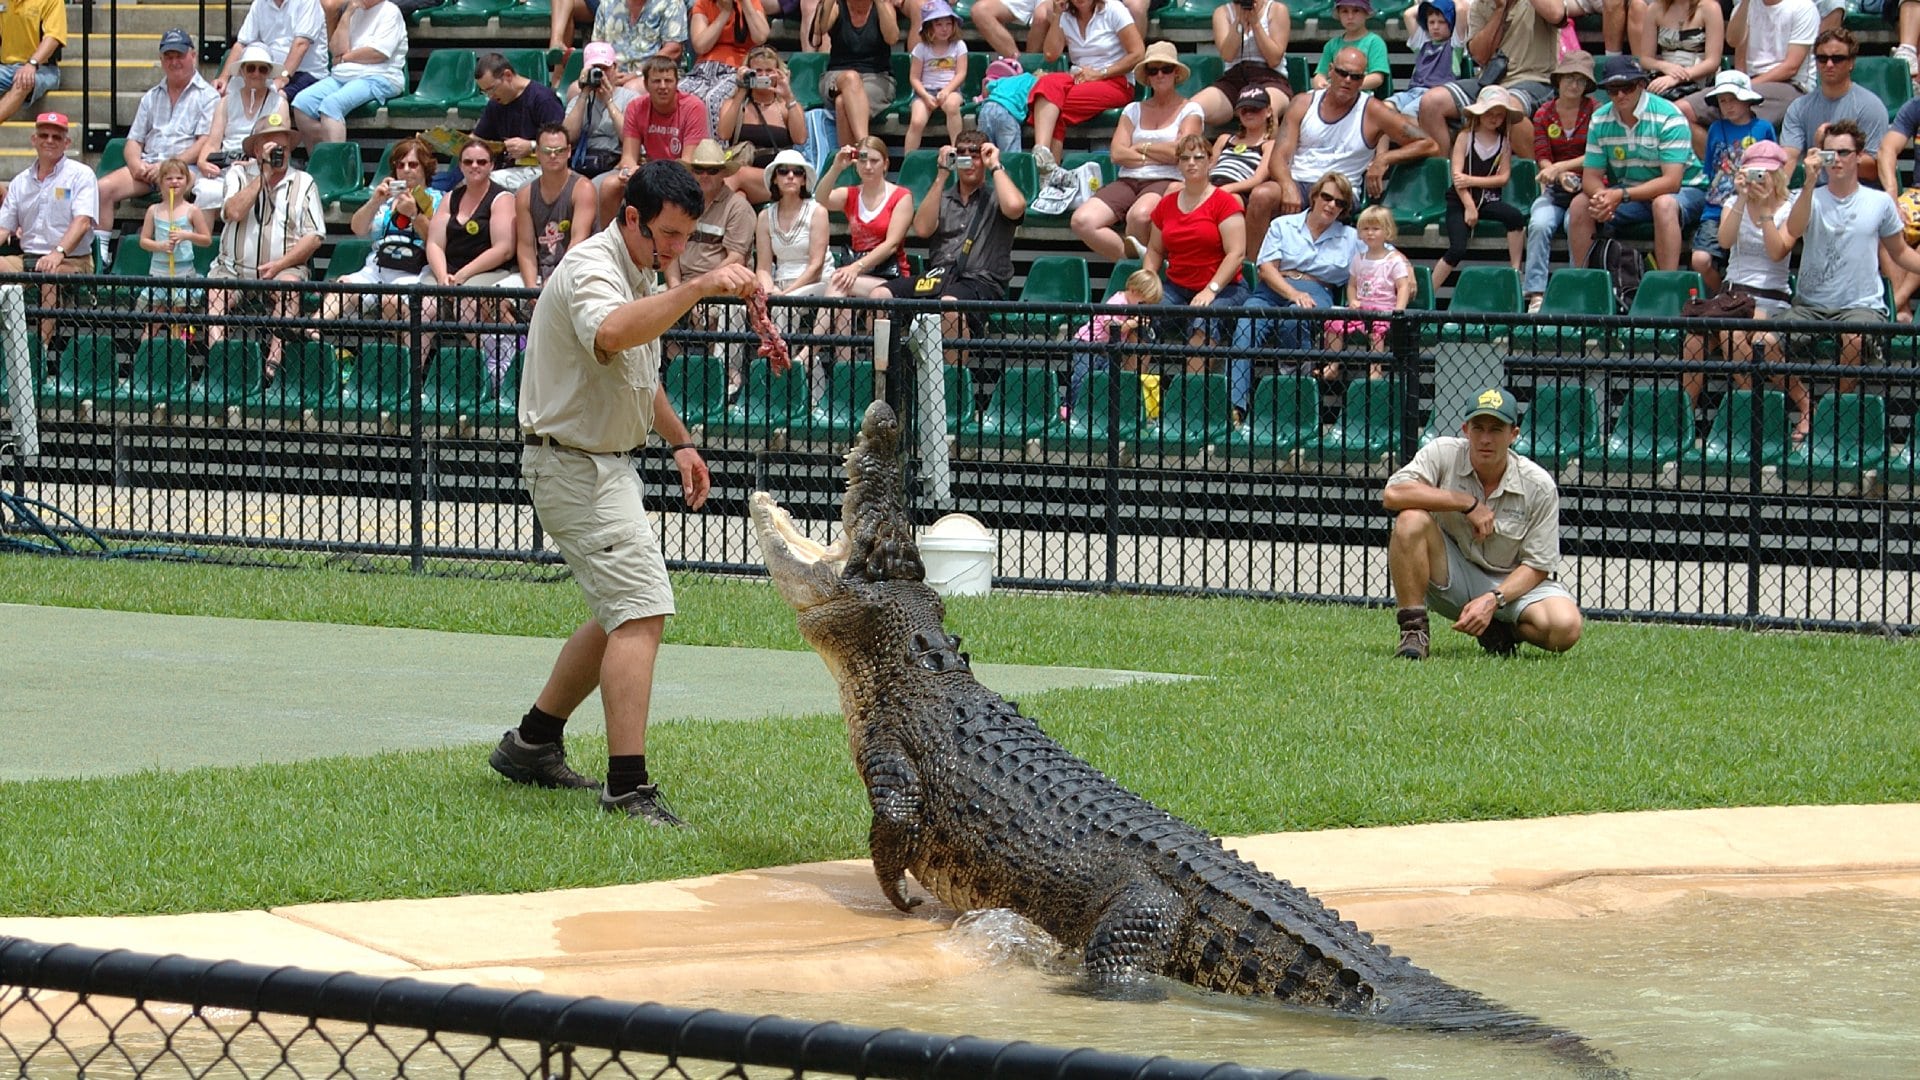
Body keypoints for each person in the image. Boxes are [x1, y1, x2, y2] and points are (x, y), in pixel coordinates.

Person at [497, 160, 760, 827]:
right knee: (641, 609)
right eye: (667, 235)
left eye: (686, 236)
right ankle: (628, 787)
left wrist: (680, 440)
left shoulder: (638, 271)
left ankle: (531, 743)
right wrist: (697, 288)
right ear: (633, 219)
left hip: (600, 464)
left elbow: (638, 372)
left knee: (622, 608)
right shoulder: (593, 268)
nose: (675, 249)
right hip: (574, 467)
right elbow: (614, 334)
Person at [1384, 386, 1584, 660]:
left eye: (1496, 429)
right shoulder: (1443, 452)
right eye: (1478, 428)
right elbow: (1393, 494)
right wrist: (1465, 502)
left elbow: (1538, 565)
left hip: (1511, 584)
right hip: (1452, 574)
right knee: (1410, 520)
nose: (1485, 439)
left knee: (1565, 627)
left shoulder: (1539, 485)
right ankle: (1414, 632)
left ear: (1513, 435)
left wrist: (1493, 600)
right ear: (1465, 429)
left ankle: (1501, 631)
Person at [1770, 122, 1920, 398]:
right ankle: (1807, 408)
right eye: (1829, 153)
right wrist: (1809, 181)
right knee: (1764, 342)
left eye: (1844, 152)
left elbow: (1899, 252)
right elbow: (1792, 230)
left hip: (1860, 306)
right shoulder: (1807, 196)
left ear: (1859, 156)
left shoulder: (1879, 202)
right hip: (1810, 306)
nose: (1836, 160)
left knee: (1854, 338)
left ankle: (1837, 408)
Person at [880, 132, 1026, 367]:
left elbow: (1016, 207)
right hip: (940, 278)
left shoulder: (996, 197)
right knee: (880, 297)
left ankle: (951, 384)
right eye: (962, 154)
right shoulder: (943, 197)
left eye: (975, 154)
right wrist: (941, 175)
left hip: (981, 282)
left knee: (949, 303)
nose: (968, 159)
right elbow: (922, 228)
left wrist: (995, 165)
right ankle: (886, 379)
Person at [204, 118, 327, 379]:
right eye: (273, 147)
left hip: (284, 269)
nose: (279, 153)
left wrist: (280, 265)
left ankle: (273, 364)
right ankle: (219, 356)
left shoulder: (304, 182)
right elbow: (233, 211)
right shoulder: (238, 175)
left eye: (284, 148)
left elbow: (315, 236)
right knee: (216, 292)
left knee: (289, 288)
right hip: (234, 270)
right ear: (258, 151)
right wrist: (264, 175)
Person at [1568, 55, 1707, 277]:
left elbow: (1672, 182)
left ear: (1642, 85)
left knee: (1663, 205)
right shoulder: (1599, 119)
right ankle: (1585, 282)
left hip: (1687, 190)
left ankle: (1665, 285)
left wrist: (1620, 196)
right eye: (1613, 89)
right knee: (1580, 205)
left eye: (1627, 87)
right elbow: (1590, 178)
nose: (1620, 94)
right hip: (1630, 193)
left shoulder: (1669, 116)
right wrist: (1603, 198)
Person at [1680, 140, 1796, 407]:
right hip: (1732, 295)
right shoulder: (1733, 202)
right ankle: (1685, 413)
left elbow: (1777, 251)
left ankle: (1753, 407)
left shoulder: (1789, 207)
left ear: (1776, 174)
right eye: (1754, 172)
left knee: (1731, 335)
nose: (1759, 178)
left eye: (1764, 172)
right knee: (1694, 341)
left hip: (1769, 297)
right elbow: (1724, 241)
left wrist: (1765, 210)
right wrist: (1743, 198)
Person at [1145, 132, 1250, 412]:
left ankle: (1190, 403)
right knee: (1140, 315)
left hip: (1225, 288)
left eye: (1198, 157)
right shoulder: (1166, 205)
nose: (1192, 163)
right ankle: (1135, 396)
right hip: (1177, 285)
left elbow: (1236, 253)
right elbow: (1155, 250)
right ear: (1178, 163)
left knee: (1204, 318)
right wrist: (1148, 279)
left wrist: (1210, 289)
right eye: (1185, 158)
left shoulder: (1225, 202)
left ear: (1210, 162)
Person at [1067, 43, 1200, 262]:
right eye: (1152, 70)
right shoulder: (1133, 109)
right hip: (1128, 180)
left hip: (1167, 179)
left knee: (1139, 216)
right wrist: (1159, 153)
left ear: (1176, 73)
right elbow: (1117, 154)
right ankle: (1134, 266)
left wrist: (1140, 147)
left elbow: (1182, 152)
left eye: (1165, 69)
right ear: (1147, 76)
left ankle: (1142, 275)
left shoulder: (1190, 109)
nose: (1159, 74)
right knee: (1082, 220)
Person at [95, 30, 220, 259]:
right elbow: (134, 140)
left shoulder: (208, 96)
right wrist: (135, 165)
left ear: (193, 55)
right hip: (149, 166)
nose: (174, 61)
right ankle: (102, 255)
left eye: (179, 55)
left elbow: (204, 142)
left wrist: (166, 167)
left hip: (186, 168)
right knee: (102, 188)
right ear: (162, 60)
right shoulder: (151, 96)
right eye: (168, 56)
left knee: (177, 184)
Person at [1273, 45, 1438, 211]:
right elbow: (1278, 157)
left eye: (1355, 77)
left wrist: (1384, 158)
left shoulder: (1373, 110)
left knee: (1326, 200)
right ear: (1331, 70)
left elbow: (1429, 144)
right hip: (1300, 182)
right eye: (1342, 73)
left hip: (1342, 188)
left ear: (1362, 80)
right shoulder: (1302, 103)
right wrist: (1287, 186)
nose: (1348, 80)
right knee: (1263, 195)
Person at [1412, 0, 1562, 164]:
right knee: (1431, 102)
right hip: (1491, 81)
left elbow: (1556, 14)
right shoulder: (1480, 5)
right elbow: (1480, 56)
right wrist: (1500, 10)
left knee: (1504, 107)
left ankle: (1543, 177)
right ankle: (1443, 178)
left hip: (1535, 79)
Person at [1233, 171, 1361, 356]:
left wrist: (1405, 266)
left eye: (1339, 203)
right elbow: (1267, 269)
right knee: (1246, 323)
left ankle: (1297, 377)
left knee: (1294, 319)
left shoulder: (1351, 237)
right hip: (1271, 289)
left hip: (1316, 291)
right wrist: (1293, 293)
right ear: (1315, 196)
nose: (1331, 205)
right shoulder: (1283, 225)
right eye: (1327, 197)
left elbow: (1385, 250)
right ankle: (1236, 385)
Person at [427, 136, 521, 381]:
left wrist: (462, 275)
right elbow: (435, 243)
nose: (474, 166)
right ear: (460, 166)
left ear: (491, 165)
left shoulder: (502, 198)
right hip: (448, 269)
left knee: (465, 299)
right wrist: (442, 277)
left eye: (481, 161)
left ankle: (494, 365)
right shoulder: (451, 198)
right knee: (422, 306)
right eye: (468, 162)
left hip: (489, 269)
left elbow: (503, 249)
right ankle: (412, 375)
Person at [666, 139, 757, 390]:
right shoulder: (679, 204)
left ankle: (727, 379)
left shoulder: (738, 207)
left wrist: (702, 288)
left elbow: (735, 258)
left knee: (728, 313)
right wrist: (675, 287)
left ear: (723, 174)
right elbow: (669, 251)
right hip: (683, 282)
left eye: (712, 170)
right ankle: (680, 372)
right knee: (647, 302)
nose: (705, 175)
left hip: (723, 286)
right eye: (699, 169)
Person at [0, 111, 95, 350]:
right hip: (27, 258)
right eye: (44, 135)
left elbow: (82, 222)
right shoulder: (20, 182)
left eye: (56, 136)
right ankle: (6, 345)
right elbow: (4, 228)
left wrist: (58, 252)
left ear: (67, 142)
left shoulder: (81, 175)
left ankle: (39, 350)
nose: (49, 140)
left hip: (74, 260)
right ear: (34, 140)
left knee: (49, 275)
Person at [325, 137, 440, 322]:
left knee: (391, 300)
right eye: (400, 165)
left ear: (425, 168)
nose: (406, 170)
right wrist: (375, 200)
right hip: (378, 266)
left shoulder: (437, 199)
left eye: (413, 164)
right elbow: (358, 229)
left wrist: (414, 214)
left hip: (414, 269)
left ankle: (405, 351)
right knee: (343, 286)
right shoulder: (385, 200)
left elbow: (434, 239)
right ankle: (312, 328)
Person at [1027, 0, 1144, 172]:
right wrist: (1058, 15)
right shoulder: (1065, 15)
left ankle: (1047, 168)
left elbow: (1138, 53)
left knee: (1051, 107)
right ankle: (1043, 155)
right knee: (1047, 84)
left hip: (1115, 80)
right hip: (1081, 80)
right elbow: (1051, 54)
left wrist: (1101, 73)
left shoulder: (1113, 9)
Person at [1521, 50, 1598, 311]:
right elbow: (1542, 155)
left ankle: (1576, 289)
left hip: (1588, 186)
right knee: (1539, 223)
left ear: (1587, 84)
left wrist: (1562, 168)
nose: (1574, 84)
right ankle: (1536, 294)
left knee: (1572, 222)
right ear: (1558, 80)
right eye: (1569, 78)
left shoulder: (1597, 112)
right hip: (1555, 189)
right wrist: (1556, 173)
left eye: (1580, 79)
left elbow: (1598, 155)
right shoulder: (1543, 113)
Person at [1690, 70, 1776, 293]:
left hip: (1754, 206)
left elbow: (1775, 167)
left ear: (1747, 99)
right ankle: (1723, 295)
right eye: (1723, 100)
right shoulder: (1715, 129)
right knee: (1700, 260)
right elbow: (1710, 168)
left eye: (1734, 99)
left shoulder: (1763, 128)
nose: (1728, 106)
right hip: (1717, 208)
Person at [1678, 0, 1817, 138]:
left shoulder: (1802, 7)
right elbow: (1735, 44)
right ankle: (1718, 157)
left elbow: (1791, 67)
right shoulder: (1743, 8)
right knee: (1680, 110)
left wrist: (1743, 88)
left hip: (1791, 85)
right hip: (1746, 83)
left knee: (1739, 114)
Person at [1434, 86, 1525, 292]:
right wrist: (1469, 205)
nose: (1493, 119)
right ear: (1479, 114)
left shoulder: (1504, 142)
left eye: (1499, 115)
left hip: (1489, 199)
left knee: (1515, 217)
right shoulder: (1465, 137)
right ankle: (1430, 290)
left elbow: (1503, 178)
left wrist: (1472, 180)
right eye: (1489, 113)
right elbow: (1457, 178)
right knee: (1457, 248)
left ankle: (1515, 269)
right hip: (1460, 199)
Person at [814, 136, 912, 325]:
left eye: (874, 161)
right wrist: (836, 168)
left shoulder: (901, 196)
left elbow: (892, 245)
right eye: (862, 160)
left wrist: (854, 268)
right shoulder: (850, 194)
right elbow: (820, 200)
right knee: (844, 310)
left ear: (885, 164)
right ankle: (841, 355)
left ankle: (808, 351)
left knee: (837, 281)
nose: (868, 166)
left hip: (891, 276)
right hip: (858, 275)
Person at [754, 149, 830, 379]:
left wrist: (783, 294)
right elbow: (763, 267)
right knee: (739, 309)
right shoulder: (765, 216)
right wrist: (768, 290)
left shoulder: (818, 211)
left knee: (783, 307)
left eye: (797, 172)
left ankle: (785, 372)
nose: (790, 176)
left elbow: (816, 266)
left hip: (817, 282)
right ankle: (732, 374)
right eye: (783, 171)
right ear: (775, 178)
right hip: (781, 283)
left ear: (804, 179)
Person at [290, 0, 408, 148]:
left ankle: (336, 166)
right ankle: (319, 161)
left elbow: (378, 53)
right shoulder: (354, 11)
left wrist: (345, 58)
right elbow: (336, 48)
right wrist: (347, 13)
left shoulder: (390, 11)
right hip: (343, 76)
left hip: (379, 76)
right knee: (302, 103)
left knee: (331, 105)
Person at [1777, 29, 1889, 168]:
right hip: (1813, 186)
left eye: (1837, 59)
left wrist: (1826, 150)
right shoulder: (1799, 107)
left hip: (1856, 187)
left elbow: (1874, 167)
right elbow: (1789, 158)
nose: (1829, 64)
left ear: (1851, 62)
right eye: (1822, 58)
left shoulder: (1870, 106)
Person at [1324, 205, 1411, 381]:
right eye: (1365, 228)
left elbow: (1403, 287)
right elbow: (1352, 285)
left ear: (1387, 231)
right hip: (1361, 308)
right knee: (1333, 323)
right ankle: (1333, 364)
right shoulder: (1358, 259)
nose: (1370, 233)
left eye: (1375, 229)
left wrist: (1398, 310)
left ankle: (1375, 368)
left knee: (1375, 331)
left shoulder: (1394, 260)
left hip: (1383, 309)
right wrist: (1352, 300)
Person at [197, 46, 290, 208]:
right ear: (242, 71)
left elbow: (282, 147)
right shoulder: (226, 102)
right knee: (206, 190)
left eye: (262, 69)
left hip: (263, 168)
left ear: (268, 73)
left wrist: (256, 163)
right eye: (251, 68)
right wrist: (203, 162)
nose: (256, 73)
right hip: (226, 167)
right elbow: (212, 142)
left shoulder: (279, 103)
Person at [1064, 266, 1161, 418]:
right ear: (1134, 290)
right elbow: (1110, 327)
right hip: (1088, 343)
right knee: (1083, 377)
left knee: (1106, 380)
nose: (1145, 308)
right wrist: (1132, 324)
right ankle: (1070, 406)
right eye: (1143, 303)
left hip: (1108, 350)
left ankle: (1096, 410)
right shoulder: (1118, 301)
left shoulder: (1131, 306)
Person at [718, 46, 807, 203]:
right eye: (757, 71)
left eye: (769, 71)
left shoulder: (786, 107)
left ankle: (703, 215)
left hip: (779, 178)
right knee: (739, 198)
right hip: (747, 181)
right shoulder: (735, 105)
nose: (763, 76)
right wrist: (741, 90)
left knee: (738, 174)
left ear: (778, 73)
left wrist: (788, 95)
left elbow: (800, 138)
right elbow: (723, 134)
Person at [136, 159, 212, 343]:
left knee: (180, 321)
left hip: (183, 272)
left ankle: (181, 353)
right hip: (159, 272)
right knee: (154, 320)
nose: (174, 182)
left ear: (187, 181)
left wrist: (186, 235)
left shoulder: (192, 210)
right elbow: (144, 241)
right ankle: (143, 356)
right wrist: (160, 246)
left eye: (179, 177)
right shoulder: (153, 210)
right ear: (160, 182)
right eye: (168, 178)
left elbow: (206, 239)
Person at [516, 124, 598, 293]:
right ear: (537, 152)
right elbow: (526, 247)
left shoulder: (583, 189)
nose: (553, 155)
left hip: (579, 269)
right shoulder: (525, 195)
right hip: (541, 272)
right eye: (547, 151)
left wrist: (554, 280)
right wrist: (531, 288)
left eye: (559, 150)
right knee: (497, 303)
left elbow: (578, 241)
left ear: (568, 152)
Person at [809, 0, 899, 148]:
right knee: (851, 78)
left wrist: (880, 3)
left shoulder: (883, 7)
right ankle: (867, 146)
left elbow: (892, 38)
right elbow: (819, 30)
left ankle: (851, 162)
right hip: (837, 76)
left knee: (842, 103)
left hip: (877, 77)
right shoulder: (837, 7)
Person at [472, 52, 567, 191]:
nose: (490, 96)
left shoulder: (542, 99)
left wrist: (531, 146)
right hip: (506, 168)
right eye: (484, 92)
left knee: (486, 182)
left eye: (491, 89)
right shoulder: (496, 103)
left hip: (540, 168)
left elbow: (561, 143)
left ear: (508, 75)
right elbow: (478, 137)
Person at [1189, 0, 1289, 127]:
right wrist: (1238, 23)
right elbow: (1227, 55)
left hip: (1269, 77)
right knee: (1191, 110)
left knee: (1265, 109)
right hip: (1234, 78)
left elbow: (1274, 59)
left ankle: (1264, 146)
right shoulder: (1222, 13)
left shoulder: (1277, 9)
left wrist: (1256, 24)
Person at [1211, 87, 1285, 246]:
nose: (1249, 113)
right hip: (1211, 185)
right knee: (1175, 190)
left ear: (1268, 111)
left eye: (1255, 109)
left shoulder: (1269, 145)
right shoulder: (1224, 139)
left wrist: (1226, 189)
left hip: (1239, 190)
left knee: (1230, 201)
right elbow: (1209, 166)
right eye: (1244, 110)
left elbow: (1257, 179)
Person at [213, 0, 327, 101]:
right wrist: (223, 78)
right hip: (269, 70)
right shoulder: (259, 4)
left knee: (275, 98)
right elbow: (242, 44)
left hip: (305, 73)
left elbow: (301, 44)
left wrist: (281, 79)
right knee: (227, 93)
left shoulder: (308, 2)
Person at [682, 0, 773, 123]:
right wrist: (725, 12)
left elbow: (761, 37)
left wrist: (745, 4)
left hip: (736, 70)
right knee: (679, 95)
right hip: (704, 68)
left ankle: (717, 142)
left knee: (714, 99)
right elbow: (700, 46)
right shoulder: (703, 3)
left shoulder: (751, 2)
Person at [562, 41, 642, 180]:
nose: (601, 74)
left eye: (605, 68)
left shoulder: (630, 98)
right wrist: (584, 94)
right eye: (595, 69)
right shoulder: (579, 100)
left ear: (614, 68)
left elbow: (630, 138)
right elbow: (568, 137)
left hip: (615, 163)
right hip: (582, 162)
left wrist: (609, 102)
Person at [905, 0, 967, 155]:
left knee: (952, 106)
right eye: (939, 24)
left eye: (948, 23)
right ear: (929, 27)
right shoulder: (921, 48)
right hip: (925, 92)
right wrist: (925, 96)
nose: (944, 29)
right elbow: (914, 78)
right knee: (917, 121)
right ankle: (909, 159)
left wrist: (946, 91)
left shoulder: (959, 45)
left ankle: (956, 149)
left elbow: (961, 73)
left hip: (951, 90)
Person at [1383, 0, 1459, 127]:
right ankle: (1382, 148)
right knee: (1384, 110)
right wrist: (1429, 3)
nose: (1435, 27)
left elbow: (1462, 10)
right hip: (1412, 92)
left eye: (1441, 22)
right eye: (1431, 22)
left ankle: (1423, 145)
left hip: (1435, 95)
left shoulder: (1454, 45)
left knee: (1408, 112)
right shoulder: (1422, 44)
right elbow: (1408, 14)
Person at [1634, 0, 1723, 102]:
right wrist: (1664, 66)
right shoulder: (1655, 9)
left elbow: (1713, 62)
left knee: (1675, 105)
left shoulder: (1710, 8)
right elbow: (1645, 59)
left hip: (1698, 76)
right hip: (1665, 72)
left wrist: (1678, 77)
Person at [0, 0, 66, 127]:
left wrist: (32, 64)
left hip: (42, 68)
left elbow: (53, 37)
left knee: (23, 81)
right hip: (5, 67)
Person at [591, 0, 689, 76]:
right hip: (610, 74)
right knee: (576, 89)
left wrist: (638, 73)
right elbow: (596, 47)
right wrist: (609, 74)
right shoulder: (607, 4)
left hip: (654, 74)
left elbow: (673, 50)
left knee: (631, 89)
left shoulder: (672, 3)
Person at [1312, 0, 1389, 94]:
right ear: (1339, 15)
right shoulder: (1331, 45)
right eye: (1344, 11)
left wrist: (1347, 84)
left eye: (1356, 11)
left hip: (1361, 95)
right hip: (1331, 94)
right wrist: (1320, 82)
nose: (1350, 17)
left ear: (1366, 13)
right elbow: (1320, 74)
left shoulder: (1375, 42)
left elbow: (1377, 78)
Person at [973, 55, 1038, 154]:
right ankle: (1008, 169)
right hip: (1008, 112)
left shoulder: (1008, 79)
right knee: (1009, 154)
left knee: (983, 150)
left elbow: (988, 88)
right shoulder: (1036, 83)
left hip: (987, 107)